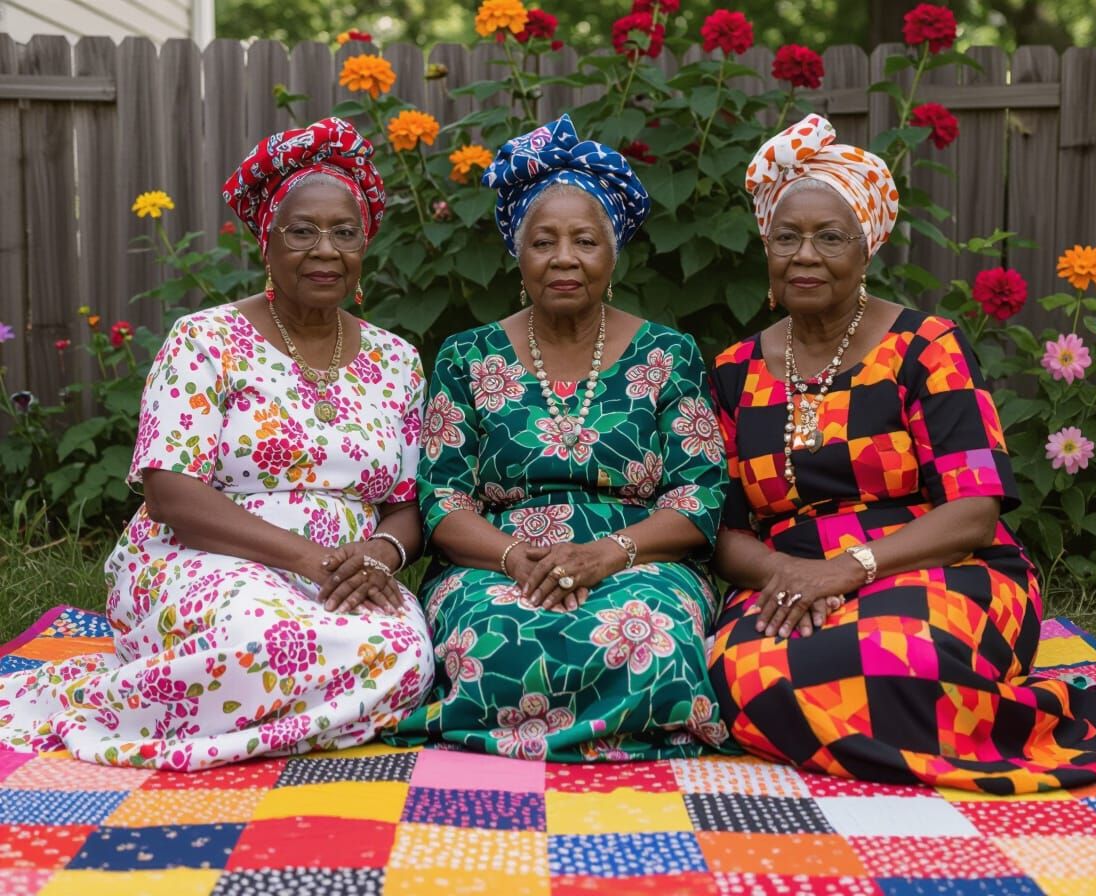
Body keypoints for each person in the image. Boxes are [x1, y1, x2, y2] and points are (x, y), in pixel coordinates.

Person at [708, 113, 1096, 793]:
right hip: (789, 577)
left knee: (893, 660)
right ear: (765, 250)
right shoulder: (735, 370)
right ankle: (882, 742)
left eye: (831, 237)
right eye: (785, 237)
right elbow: (727, 528)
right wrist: (788, 575)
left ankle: (993, 730)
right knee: (738, 670)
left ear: (868, 249)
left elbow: (974, 512)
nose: (804, 254)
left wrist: (846, 570)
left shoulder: (925, 345)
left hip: (939, 561)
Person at [0, 118, 433, 770]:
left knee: (407, 653)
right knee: (264, 635)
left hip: (344, 573)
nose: (325, 249)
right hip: (204, 556)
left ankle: (239, 716)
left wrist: (380, 553)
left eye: (345, 232)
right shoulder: (204, 339)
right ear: (267, 242)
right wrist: (311, 560)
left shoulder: (398, 361)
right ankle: (90, 703)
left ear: (364, 246)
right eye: (302, 230)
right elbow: (172, 494)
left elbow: (407, 502)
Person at [388, 115, 730, 760]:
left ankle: (610, 736)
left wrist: (609, 553)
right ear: (518, 253)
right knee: (496, 629)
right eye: (544, 241)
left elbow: (699, 496)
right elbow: (443, 502)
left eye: (585, 241)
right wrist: (515, 557)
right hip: (495, 560)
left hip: (638, 557)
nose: (564, 258)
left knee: (649, 627)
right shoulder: (467, 356)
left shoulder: (668, 352)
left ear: (614, 254)